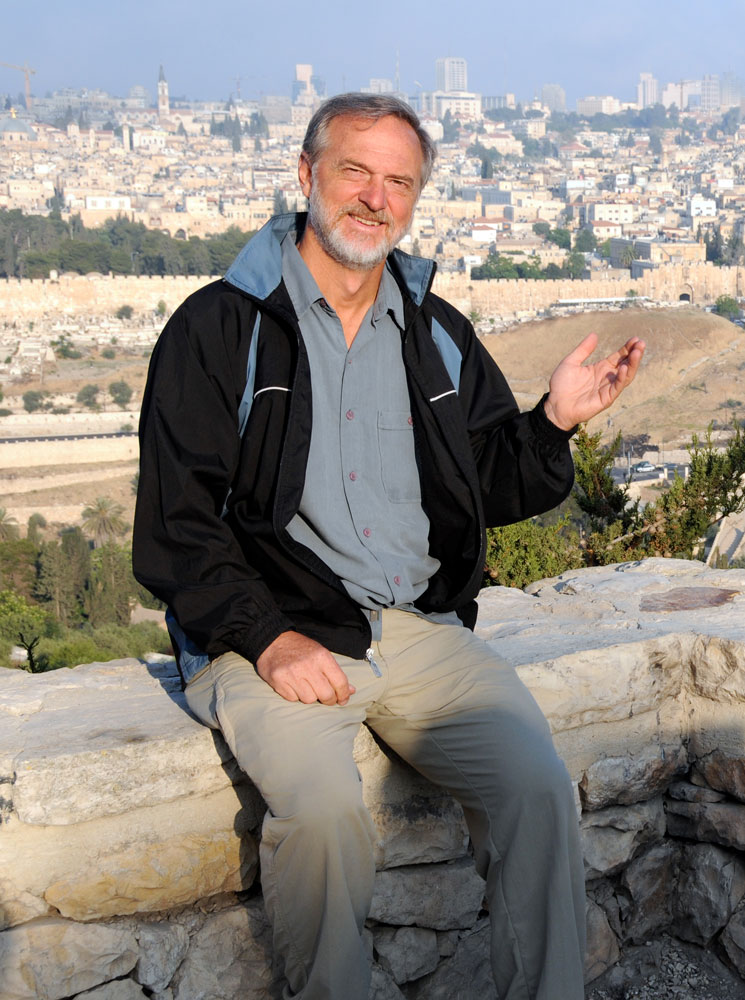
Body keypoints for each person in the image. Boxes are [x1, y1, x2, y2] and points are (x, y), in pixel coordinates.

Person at [133, 93, 645, 1000]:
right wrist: (267, 636)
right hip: (272, 632)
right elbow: (178, 525)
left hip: (413, 625)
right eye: (354, 172)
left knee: (534, 789)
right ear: (306, 177)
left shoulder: (433, 330)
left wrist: (555, 422)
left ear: (415, 199)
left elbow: (482, 480)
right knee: (325, 816)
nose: (374, 198)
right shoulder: (219, 330)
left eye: (397, 181)